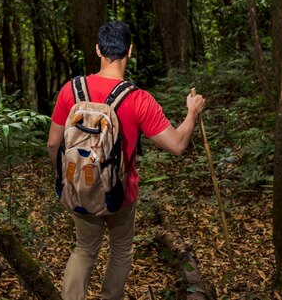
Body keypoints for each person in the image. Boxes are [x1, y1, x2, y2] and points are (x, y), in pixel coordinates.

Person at [46, 21, 206, 300]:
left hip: (80, 188)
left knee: (84, 250)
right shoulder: (138, 99)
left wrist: (65, 178)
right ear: (129, 50)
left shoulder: (70, 90)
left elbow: (52, 143)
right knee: (120, 250)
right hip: (121, 193)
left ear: (98, 49)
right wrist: (192, 113)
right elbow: (178, 144)